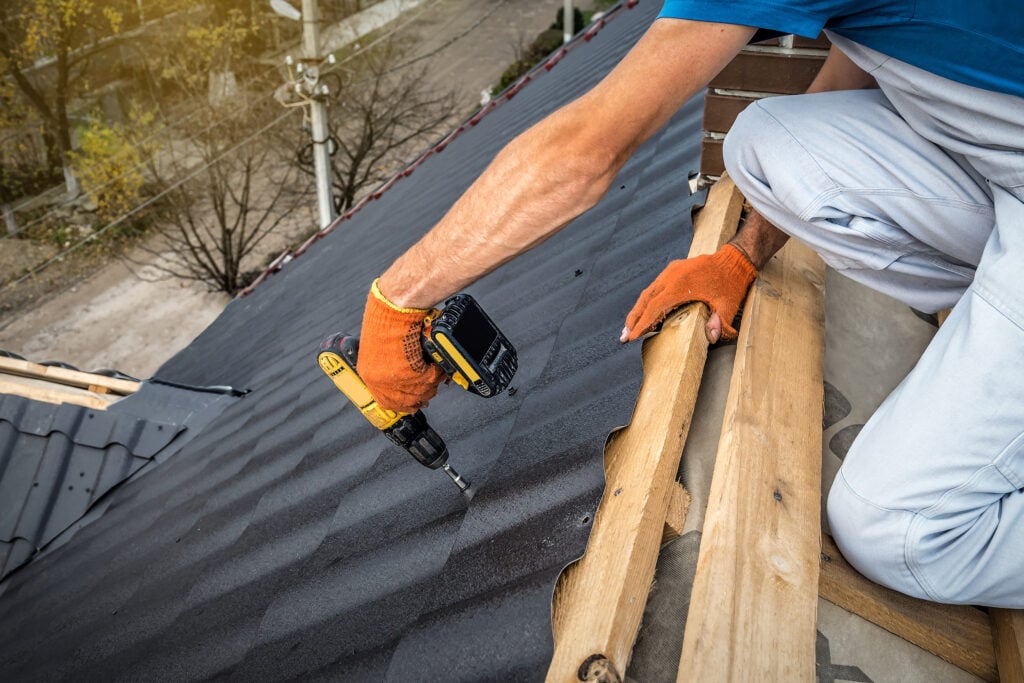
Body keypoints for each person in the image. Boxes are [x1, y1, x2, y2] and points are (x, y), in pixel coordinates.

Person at [356, 1, 1023, 608]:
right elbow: (867, 55)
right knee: (764, 144)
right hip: (1002, 172)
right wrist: (741, 254)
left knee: (897, 528)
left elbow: (586, 150)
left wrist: (399, 299)